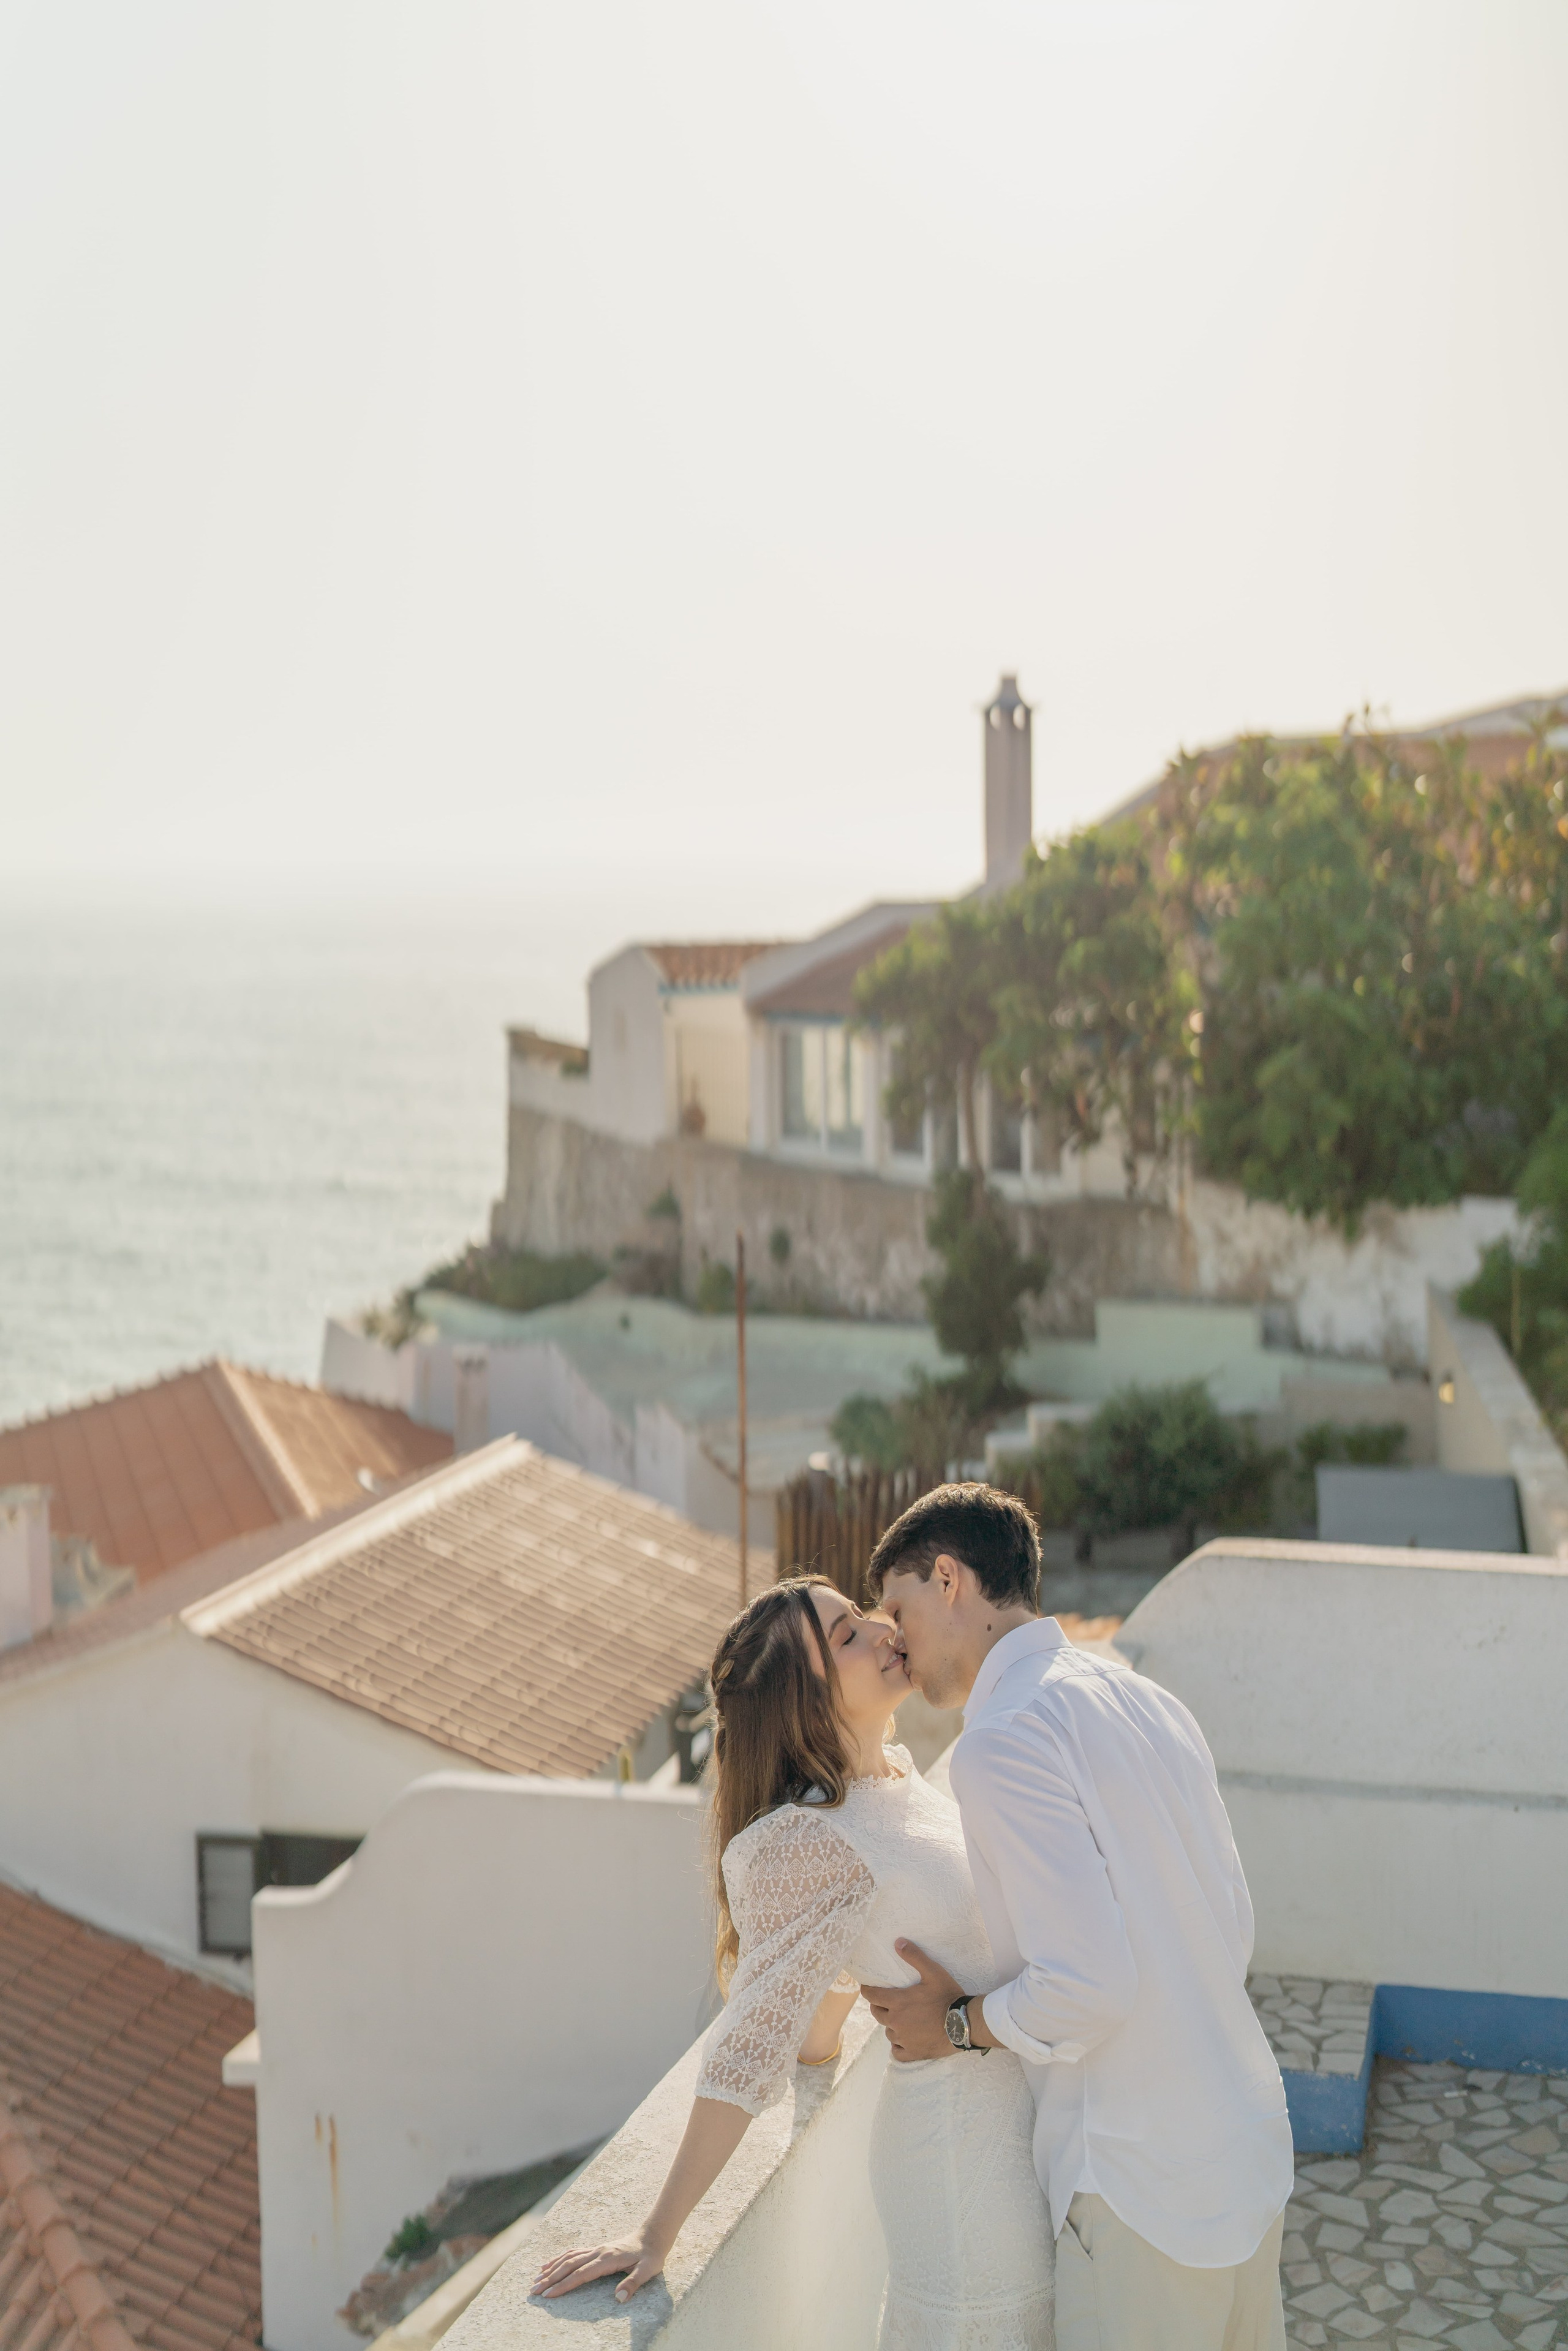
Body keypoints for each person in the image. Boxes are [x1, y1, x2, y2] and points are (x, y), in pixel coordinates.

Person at [532, 1572, 1055, 2348]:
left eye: (863, 1614)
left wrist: (830, 2009)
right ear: (799, 1703)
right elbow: (745, 2052)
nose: (885, 1630)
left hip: (1016, 2138)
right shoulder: (803, 1841)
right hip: (961, 2173)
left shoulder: (898, 1782)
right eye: (847, 1636)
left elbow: (819, 2013)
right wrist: (655, 2235)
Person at [861, 1483, 1294, 2351]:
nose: (894, 1640)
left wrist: (958, 2022)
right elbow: (1233, 1924)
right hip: (1247, 2155)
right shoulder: (1142, 1696)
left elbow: (1090, 1984)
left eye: (897, 1607)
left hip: (1139, 2193)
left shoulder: (1002, 1739)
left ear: (949, 1579)